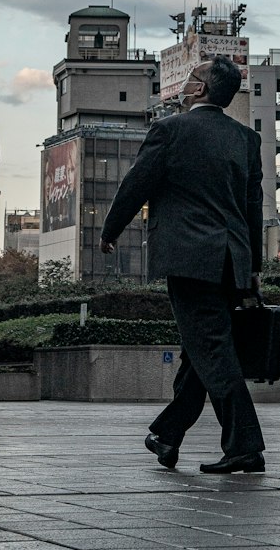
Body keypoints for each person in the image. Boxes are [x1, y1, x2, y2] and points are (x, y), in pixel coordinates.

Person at [100, 55, 266, 473]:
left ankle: (245, 444)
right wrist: (253, 268)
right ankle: (167, 436)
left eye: (192, 77)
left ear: (200, 90)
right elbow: (253, 207)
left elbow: (137, 182)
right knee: (200, 349)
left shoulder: (170, 130)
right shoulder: (246, 139)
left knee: (211, 348)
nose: (185, 82)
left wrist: (109, 230)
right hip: (233, 259)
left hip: (190, 258)